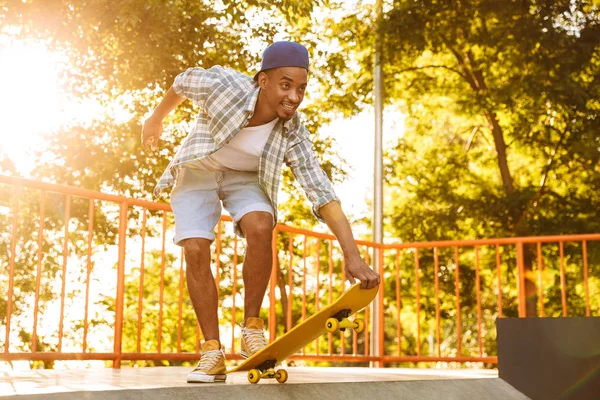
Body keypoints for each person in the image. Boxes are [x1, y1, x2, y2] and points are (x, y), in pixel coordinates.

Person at [141, 41, 381, 383]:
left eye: (301, 89)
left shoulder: (294, 133)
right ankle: (211, 352)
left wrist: (353, 256)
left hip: (245, 178)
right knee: (195, 247)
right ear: (263, 81)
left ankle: (251, 328)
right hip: (198, 169)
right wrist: (155, 120)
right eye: (286, 85)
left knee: (261, 225)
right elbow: (182, 82)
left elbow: (322, 193)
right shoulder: (223, 86)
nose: (294, 97)